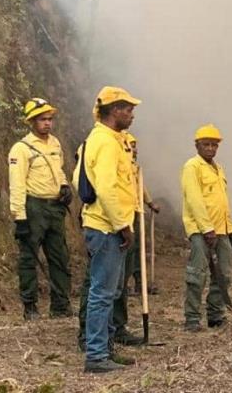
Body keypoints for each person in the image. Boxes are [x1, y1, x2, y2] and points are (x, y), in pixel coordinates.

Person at [76, 86, 140, 373]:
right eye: (128, 109)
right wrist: (122, 225)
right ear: (114, 110)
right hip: (106, 228)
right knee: (102, 293)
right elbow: (106, 188)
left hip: (105, 225)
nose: (132, 114)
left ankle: (105, 348)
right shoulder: (105, 142)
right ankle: (96, 356)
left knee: (109, 292)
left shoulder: (108, 140)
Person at [8, 98, 73, 320]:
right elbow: (16, 184)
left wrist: (64, 186)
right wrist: (20, 218)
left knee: (59, 257)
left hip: (55, 207)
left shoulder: (54, 143)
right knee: (29, 258)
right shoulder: (21, 149)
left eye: (50, 119)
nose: (47, 123)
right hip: (33, 206)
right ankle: (30, 307)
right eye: (43, 119)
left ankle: (61, 307)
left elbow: (59, 169)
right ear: (32, 122)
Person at [181, 124, 232, 332]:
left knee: (223, 274)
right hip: (201, 230)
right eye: (206, 144)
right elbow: (194, 200)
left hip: (222, 229)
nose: (211, 148)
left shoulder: (217, 168)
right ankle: (192, 319)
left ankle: (215, 314)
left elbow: (221, 201)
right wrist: (206, 228)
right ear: (197, 145)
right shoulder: (192, 167)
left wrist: (230, 229)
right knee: (197, 274)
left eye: (214, 145)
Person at [126, 133, 160, 296]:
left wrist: (150, 202)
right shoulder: (120, 165)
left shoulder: (135, 167)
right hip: (124, 212)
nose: (135, 149)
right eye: (131, 145)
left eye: (135, 146)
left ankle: (140, 282)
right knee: (127, 249)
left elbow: (141, 187)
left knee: (138, 248)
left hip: (136, 211)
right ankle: (123, 284)